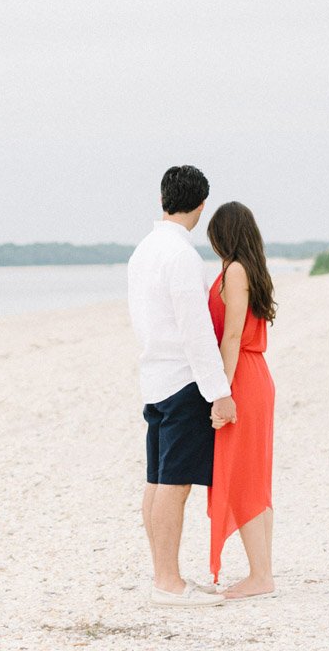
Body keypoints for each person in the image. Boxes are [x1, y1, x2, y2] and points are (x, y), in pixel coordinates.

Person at [127, 164, 234, 607]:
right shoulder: (182, 256)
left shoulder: (143, 251)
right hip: (181, 381)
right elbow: (197, 331)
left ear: (162, 199)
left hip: (153, 378)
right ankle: (168, 582)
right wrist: (220, 391)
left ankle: (162, 576)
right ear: (202, 205)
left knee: (157, 480)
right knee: (175, 484)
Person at [205, 200, 277, 600]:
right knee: (256, 474)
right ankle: (263, 570)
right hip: (257, 373)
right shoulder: (253, 268)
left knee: (245, 476)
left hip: (243, 378)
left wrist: (222, 392)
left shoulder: (234, 270)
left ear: (225, 235)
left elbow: (231, 336)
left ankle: (260, 577)